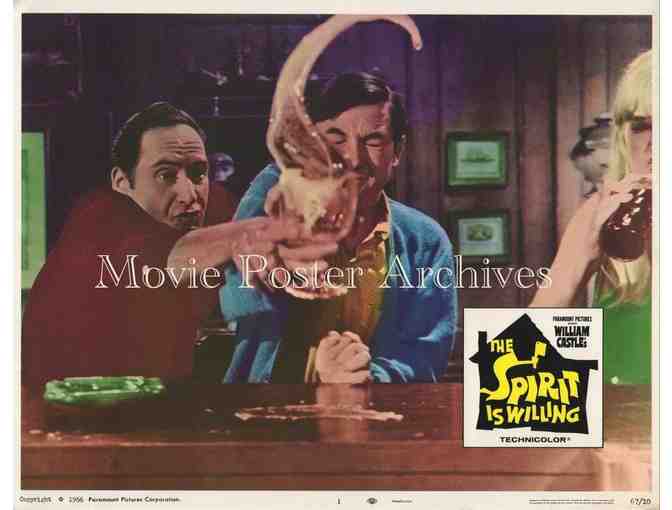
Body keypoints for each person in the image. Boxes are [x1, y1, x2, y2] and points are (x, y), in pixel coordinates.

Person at [22, 102, 300, 386]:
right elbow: (164, 257)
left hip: (158, 398)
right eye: (165, 175)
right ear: (121, 182)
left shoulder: (214, 207)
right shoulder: (97, 216)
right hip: (60, 406)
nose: (188, 194)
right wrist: (271, 231)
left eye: (198, 173)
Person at [219, 72, 458, 384]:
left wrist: (362, 374)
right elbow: (238, 300)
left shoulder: (425, 240)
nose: (353, 158)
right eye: (336, 139)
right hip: (266, 405)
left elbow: (425, 355)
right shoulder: (274, 203)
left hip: (376, 406)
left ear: (397, 151)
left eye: (373, 141)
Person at [531, 50, 652, 385]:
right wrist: (585, 255)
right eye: (641, 126)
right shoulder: (596, 215)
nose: (654, 144)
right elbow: (518, 360)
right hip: (616, 414)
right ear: (624, 136)